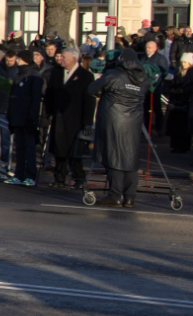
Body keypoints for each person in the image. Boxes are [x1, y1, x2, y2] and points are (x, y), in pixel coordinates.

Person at [89, 48, 148, 207]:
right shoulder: (143, 79)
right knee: (131, 157)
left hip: (113, 119)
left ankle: (114, 195)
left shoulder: (113, 75)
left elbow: (92, 89)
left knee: (114, 156)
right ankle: (129, 197)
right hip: (134, 122)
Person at [43, 47, 95, 188]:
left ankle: (79, 178)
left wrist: (87, 123)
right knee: (59, 150)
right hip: (59, 118)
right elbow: (50, 94)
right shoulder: (57, 72)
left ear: (73, 58)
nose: (61, 59)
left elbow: (89, 100)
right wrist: (48, 112)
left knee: (74, 151)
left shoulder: (85, 76)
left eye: (64, 57)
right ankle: (59, 178)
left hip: (76, 120)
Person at [5, 50, 44, 187]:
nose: (17, 61)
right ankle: (19, 174)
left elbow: (35, 100)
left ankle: (30, 175)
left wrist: (32, 118)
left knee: (30, 148)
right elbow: (12, 97)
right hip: (17, 117)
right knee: (19, 148)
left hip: (28, 117)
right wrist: (10, 116)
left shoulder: (34, 76)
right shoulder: (18, 76)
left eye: (19, 59)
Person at [165, 53, 193, 154]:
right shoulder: (178, 72)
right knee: (176, 125)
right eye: (183, 62)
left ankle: (184, 146)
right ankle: (175, 145)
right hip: (176, 100)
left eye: (186, 62)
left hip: (185, 101)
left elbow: (186, 87)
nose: (184, 64)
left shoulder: (189, 73)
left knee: (184, 126)